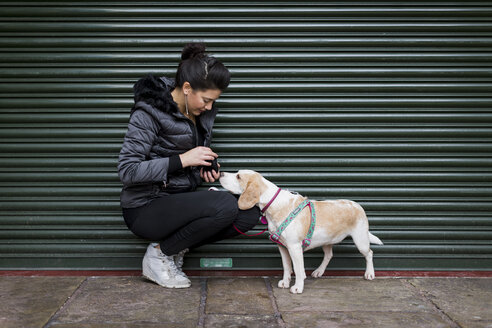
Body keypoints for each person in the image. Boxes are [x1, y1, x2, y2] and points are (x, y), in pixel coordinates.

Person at [118, 43, 260, 288]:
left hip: (178, 202)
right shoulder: (148, 112)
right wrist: (183, 160)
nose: (209, 107)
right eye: (206, 100)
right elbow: (128, 171)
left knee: (250, 213)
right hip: (145, 207)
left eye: (214, 102)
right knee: (226, 205)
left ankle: (174, 248)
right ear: (186, 88)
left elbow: (185, 159)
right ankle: (159, 255)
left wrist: (203, 167)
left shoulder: (199, 114)